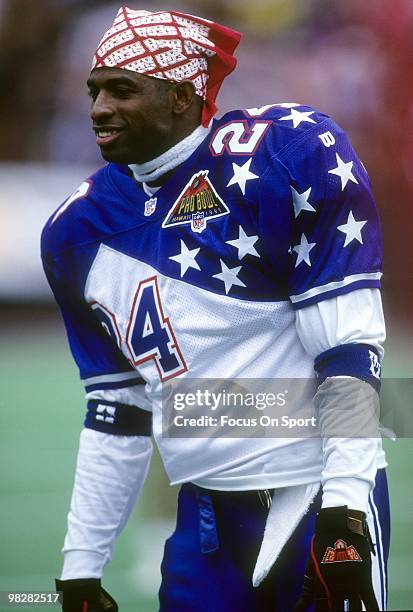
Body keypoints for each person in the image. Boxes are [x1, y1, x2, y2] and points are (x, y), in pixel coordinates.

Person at [41, 6, 390, 611]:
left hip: (313, 493)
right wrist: (80, 567)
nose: (98, 109)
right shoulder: (77, 230)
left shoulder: (278, 155)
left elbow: (349, 351)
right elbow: (117, 412)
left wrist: (346, 504)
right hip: (202, 521)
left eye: (122, 90)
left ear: (181, 96)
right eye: (94, 90)